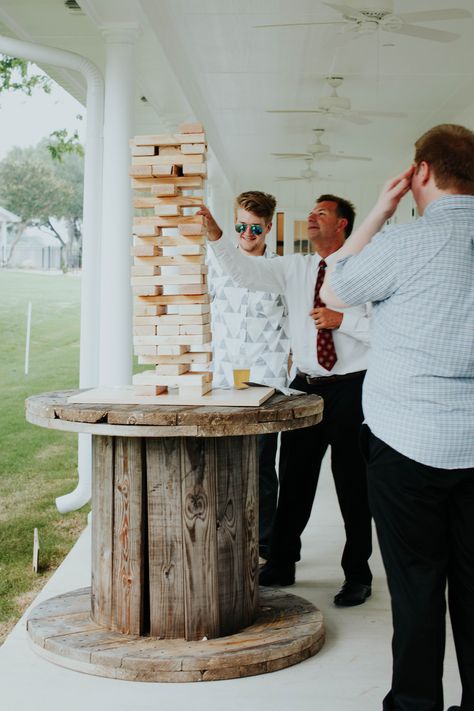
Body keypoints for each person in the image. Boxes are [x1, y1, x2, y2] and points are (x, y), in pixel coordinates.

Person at [321, 124, 474, 711]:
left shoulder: (405, 243)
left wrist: (380, 212)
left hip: (407, 443)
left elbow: (335, 291)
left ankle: (415, 706)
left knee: (415, 588)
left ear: (422, 173)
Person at [204, 194, 373, 607]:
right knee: (295, 479)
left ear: (343, 225)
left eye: (321, 213)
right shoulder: (294, 267)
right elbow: (244, 272)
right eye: (309, 211)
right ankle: (281, 562)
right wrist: (217, 237)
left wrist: (342, 320)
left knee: (354, 486)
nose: (311, 217)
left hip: (353, 388)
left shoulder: (365, 271)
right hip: (307, 387)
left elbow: (385, 329)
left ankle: (358, 575)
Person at [199, 192, 291, 563]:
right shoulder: (213, 261)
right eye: (240, 226)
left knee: (261, 467)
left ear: (269, 227)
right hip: (224, 378)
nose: (246, 233)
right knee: (222, 464)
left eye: (255, 227)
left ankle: (264, 546)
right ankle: (226, 540)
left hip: (264, 380)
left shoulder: (279, 269)